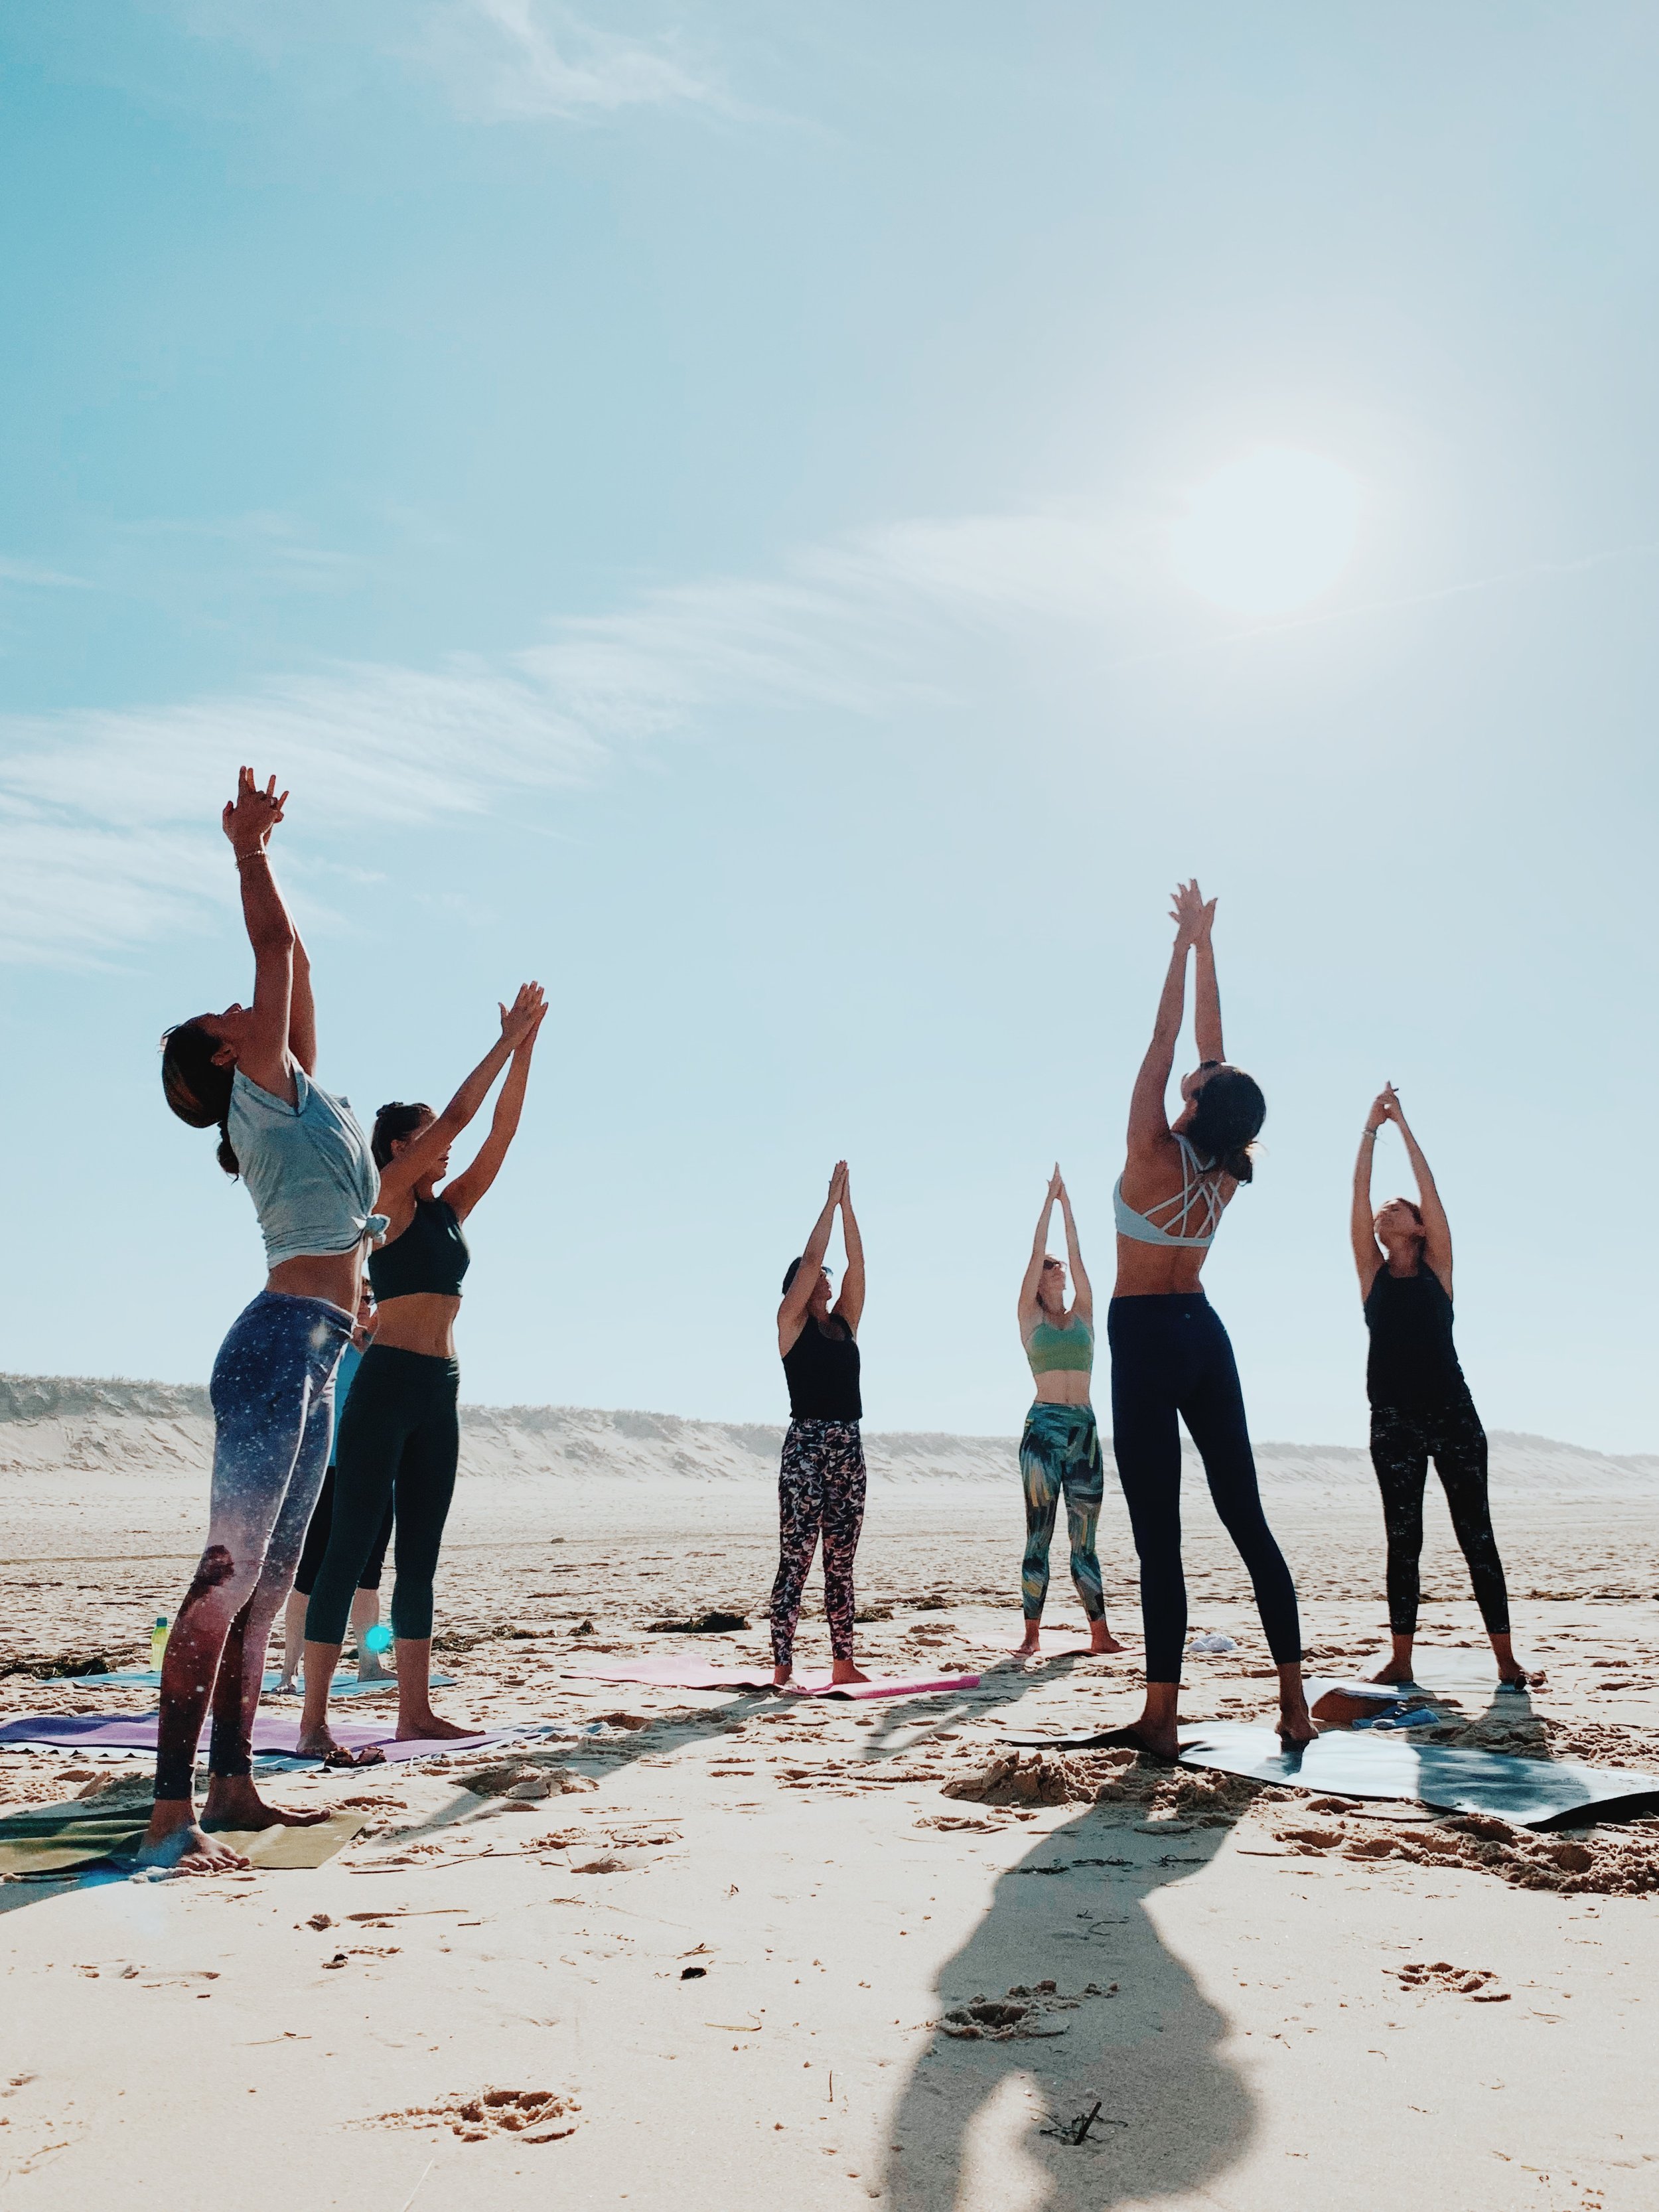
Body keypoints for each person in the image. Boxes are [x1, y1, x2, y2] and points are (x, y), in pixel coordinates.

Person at [145, 767, 387, 1872]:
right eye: (228, 1016)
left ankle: (234, 1786)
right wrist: (249, 851)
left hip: (318, 1346)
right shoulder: (257, 1087)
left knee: (270, 1584)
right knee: (223, 1578)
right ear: (223, 1057)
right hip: (275, 1351)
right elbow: (279, 954)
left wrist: (361, 1286)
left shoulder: (292, 1094)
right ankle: (169, 1811)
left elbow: (296, 972)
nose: (245, 1007)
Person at [297, 983, 547, 1760]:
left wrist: (528, 1048)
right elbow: (464, 1116)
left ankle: (414, 1712)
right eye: (429, 1137)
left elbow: (498, 1131)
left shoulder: (448, 1206)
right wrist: (503, 1041)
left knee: (424, 1554)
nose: (445, 1146)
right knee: (348, 1547)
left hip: (440, 1391)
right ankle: (312, 1724)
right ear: (402, 1149)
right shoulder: (391, 1199)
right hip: (386, 1387)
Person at [1104, 881, 1313, 1760]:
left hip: (1147, 1335)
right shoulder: (1226, 1160)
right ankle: (1293, 1705)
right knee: (1247, 1520)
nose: (1208, 1056)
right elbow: (1211, 1048)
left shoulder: (1156, 1149)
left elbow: (1163, 1041)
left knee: (1161, 1534)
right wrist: (1204, 945)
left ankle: (1161, 1715)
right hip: (1204, 1335)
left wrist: (1177, 951)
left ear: (1202, 1096)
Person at [1352, 1084, 1529, 1687]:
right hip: (1393, 1418)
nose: (1385, 1210)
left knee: (1476, 1532)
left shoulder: (1438, 1268)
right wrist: (1368, 1132)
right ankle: (1401, 1659)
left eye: (1397, 1208)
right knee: (1404, 1539)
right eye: (1383, 1210)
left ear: (1421, 1228)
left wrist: (1401, 1123)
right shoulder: (1372, 1275)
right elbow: (1356, 1196)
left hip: (1452, 1413)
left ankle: (1506, 1659)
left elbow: (1432, 1192)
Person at [1013, 1167, 1124, 1659]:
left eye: (1058, 1266)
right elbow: (1037, 1253)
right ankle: (1031, 1636)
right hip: (1043, 1430)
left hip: (1083, 1430)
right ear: (1037, 1278)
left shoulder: (1083, 1312)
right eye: (1049, 1266)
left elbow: (1078, 1256)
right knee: (1040, 1533)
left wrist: (1068, 1205)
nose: (1057, 1268)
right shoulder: (1029, 1316)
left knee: (1086, 1539)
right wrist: (1046, 1207)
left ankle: (1100, 1634)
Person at [770, 1161, 868, 1689]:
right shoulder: (790, 1323)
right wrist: (827, 1203)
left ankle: (842, 1660)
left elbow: (857, 1261)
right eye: (818, 1276)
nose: (827, 1275)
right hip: (807, 1444)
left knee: (841, 1561)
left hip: (848, 1443)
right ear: (800, 1287)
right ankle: (783, 1667)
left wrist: (849, 1206)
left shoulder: (844, 1322)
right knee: (797, 1558)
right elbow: (813, 1259)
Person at [275, 1284, 391, 1694]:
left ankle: (371, 1662)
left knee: (370, 1577)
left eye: (370, 1297)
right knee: (309, 1576)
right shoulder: (322, 1344)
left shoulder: (380, 1348)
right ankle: (289, 1672)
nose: (366, 1303)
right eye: (359, 1295)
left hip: (376, 1474)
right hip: (325, 1473)